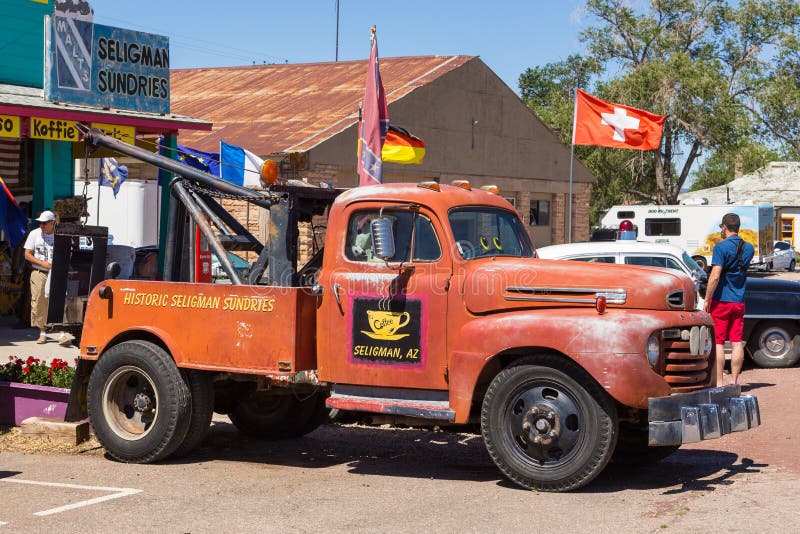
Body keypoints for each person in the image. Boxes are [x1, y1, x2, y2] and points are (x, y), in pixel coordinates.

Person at [703, 213, 754, 386]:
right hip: (739, 301)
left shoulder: (721, 247)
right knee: (736, 342)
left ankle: (719, 383)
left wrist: (706, 299)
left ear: (724, 227)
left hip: (721, 301)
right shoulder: (749, 248)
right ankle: (734, 382)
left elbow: (715, 276)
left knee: (718, 342)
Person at [23, 210, 70, 346]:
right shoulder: (34, 234)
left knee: (59, 302)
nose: (41, 226)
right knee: (39, 302)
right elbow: (27, 254)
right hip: (39, 272)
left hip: (56, 273)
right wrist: (43, 263)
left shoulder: (60, 234)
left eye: (44, 223)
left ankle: (61, 333)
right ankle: (42, 332)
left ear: (52, 223)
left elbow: (67, 252)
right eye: (40, 223)